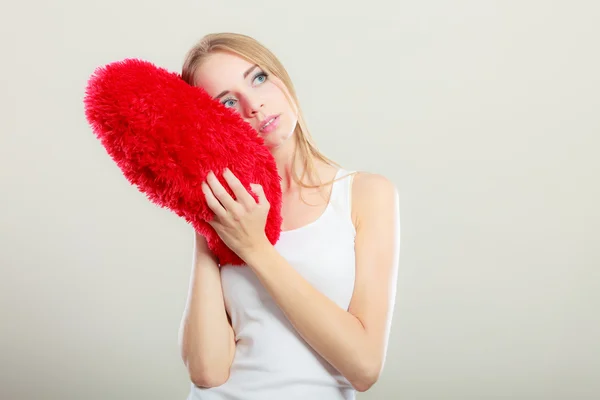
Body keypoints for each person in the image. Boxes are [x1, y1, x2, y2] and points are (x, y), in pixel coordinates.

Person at [178, 32, 401, 400]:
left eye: (259, 78)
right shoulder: (226, 211)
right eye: (228, 102)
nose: (254, 107)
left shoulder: (364, 194)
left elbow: (364, 367)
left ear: (281, 78)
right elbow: (207, 371)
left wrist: (255, 248)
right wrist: (204, 215)